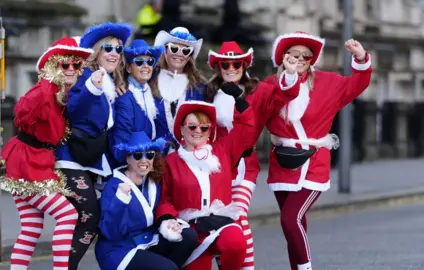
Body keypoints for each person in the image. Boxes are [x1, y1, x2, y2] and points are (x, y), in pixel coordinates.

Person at [263, 31, 372, 270]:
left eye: (307, 55)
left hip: (314, 162)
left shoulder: (328, 82)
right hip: (282, 162)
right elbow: (259, 113)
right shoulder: (270, 85)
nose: (301, 59)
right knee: (294, 224)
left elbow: (358, 83)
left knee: (290, 219)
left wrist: (362, 58)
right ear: (283, 56)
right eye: (294, 54)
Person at [0, 37, 93, 269]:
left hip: (34, 159)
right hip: (27, 162)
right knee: (67, 215)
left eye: (76, 65)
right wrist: (45, 91)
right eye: (65, 64)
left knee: (31, 227)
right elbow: (22, 112)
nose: (71, 69)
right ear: (53, 65)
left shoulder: (63, 92)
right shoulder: (45, 90)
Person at [206, 41, 300, 270]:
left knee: (237, 217)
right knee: (218, 222)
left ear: (244, 64)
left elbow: (283, 96)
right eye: (224, 64)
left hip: (244, 166)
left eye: (236, 63)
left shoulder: (259, 91)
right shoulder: (207, 92)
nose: (230, 68)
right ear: (218, 67)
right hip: (214, 167)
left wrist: (289, 73)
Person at [54, 23, 132, 269]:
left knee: (88, 218)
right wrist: (91, 88)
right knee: (90, 217)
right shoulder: (87, 76)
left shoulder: (110, 82)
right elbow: (72, 108)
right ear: (96, 52)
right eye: (108, 48)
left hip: (91, 160)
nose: (113, 53)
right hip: (70, 158)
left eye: (118, 50)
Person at [155, 89, 256, 270]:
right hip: (191, 229)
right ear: (182, 129)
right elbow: (165, 199)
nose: (198, 131)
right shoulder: (170, 162)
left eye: (204, 127)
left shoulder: (223, 150)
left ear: (210, 130)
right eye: (192, 126)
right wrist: (168, 219)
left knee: (237, 242)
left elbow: (246, 129)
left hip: (220, 222)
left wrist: (240, 100)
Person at [95, 131, 198, 270]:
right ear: (127, 159)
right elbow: (111, 232)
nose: (144, 160)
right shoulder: (115, 186)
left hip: (147, 240)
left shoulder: (152, 182)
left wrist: (168, 221)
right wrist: (121, 199)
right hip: (119, 249)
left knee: (188, 236)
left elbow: (161, 206)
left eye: (150, 155)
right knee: (168, 268)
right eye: (137, 155)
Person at [110, 39, 165, 166]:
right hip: (131, 167)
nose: (146, 66)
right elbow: (120, 145)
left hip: (145, 163)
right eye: (139, 62)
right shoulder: (124, 97)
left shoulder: (151, 91)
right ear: (129, 68)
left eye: (150, 61)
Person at [152, 26, 207, 152]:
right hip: (154, 159)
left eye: (186, 51)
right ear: (165, 50)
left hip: (187, 158)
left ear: (190, 56)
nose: (179, 54)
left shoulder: (199, 87)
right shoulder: (149, 80)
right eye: (174, 48)